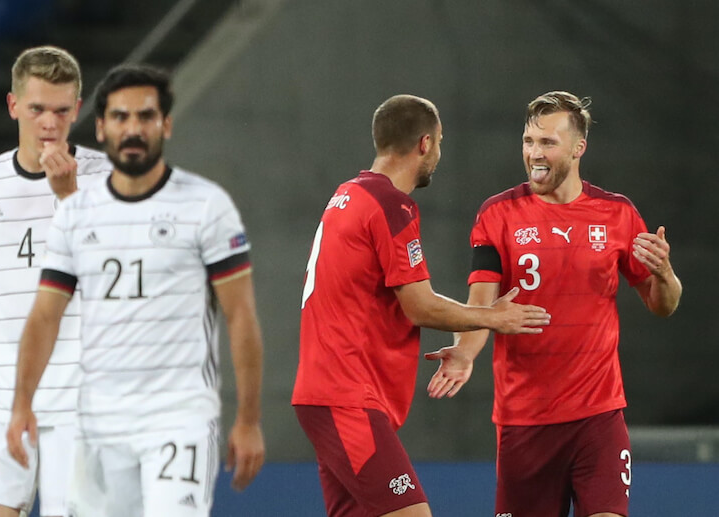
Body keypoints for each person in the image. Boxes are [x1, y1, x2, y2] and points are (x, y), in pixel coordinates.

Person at [6, 64, 265, 517]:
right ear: (101, 127)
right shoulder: (76, 212)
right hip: (98, 420)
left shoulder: (205, 205)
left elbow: (241, 315)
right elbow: (45, 316)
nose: (133, 128)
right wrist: (21, 402)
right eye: (121, 117)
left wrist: (248, 419)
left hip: (177, 417)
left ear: (165, 124)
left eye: (145, 117)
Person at [292, 94, 552, 517]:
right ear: (425, 144)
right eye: (441, 143)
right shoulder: (391, 205)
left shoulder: (347, 194)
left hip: (328, 392)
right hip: (347, 395)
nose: (439, 154)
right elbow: (420, 306)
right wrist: (493, 318)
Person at [425, 91, 682, 517]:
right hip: (525, 422)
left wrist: (665, 274)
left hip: (597, 418)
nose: (533, 153)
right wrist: (465, 354)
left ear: (579, 148)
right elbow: (482, 306)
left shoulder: (617, 214)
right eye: (528, 141)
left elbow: (662, 305)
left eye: (547, 142)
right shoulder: (497, 215)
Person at [0, 45, 110, 517]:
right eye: (36, 109)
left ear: (77, 108)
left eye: (61, 110)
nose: (49, 123)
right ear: (13, 107)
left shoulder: (107, 179)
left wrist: (67, 198)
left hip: (78, 394)